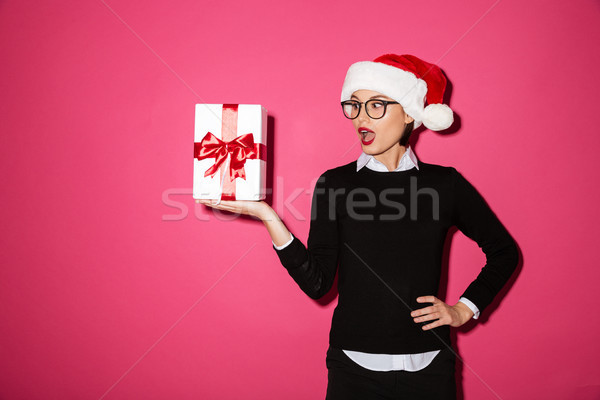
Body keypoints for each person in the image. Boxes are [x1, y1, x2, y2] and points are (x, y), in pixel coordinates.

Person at [199, 54, 519, 400]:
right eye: (354, 105)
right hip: (353, 372)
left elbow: (503, 252)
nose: (361, 118)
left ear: (410, 112)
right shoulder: (335, 185)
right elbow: (318, 283)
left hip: (430, 369)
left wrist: (463, 309)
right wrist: (267, 216)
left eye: (376, 105)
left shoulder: (445, 184)